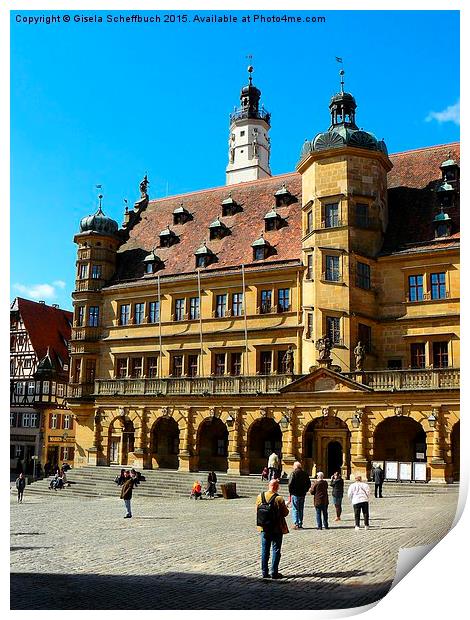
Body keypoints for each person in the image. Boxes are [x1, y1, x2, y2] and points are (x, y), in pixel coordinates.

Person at [256, 479, 289, 579]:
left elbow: (257, 510)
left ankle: (264, 572)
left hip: (264, 527)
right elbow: (285, 513)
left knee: (265, 550)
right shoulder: (279, 498)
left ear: (269, 485)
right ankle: (274, 572)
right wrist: (286, 506)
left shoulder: (259, 496)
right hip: (276, 528)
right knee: (276, 549)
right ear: (277, 487)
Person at [287, 461, 311, 529]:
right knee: (301, 509)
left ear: (295, 466)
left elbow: (290, 484)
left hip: (295, 494)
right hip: (302, 494)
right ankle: (300, 523)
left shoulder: (294, 473)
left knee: (295, 509)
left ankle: (296, 523)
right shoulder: (305, 473)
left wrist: (291, 492)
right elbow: (309, 484)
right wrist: (305, 490)